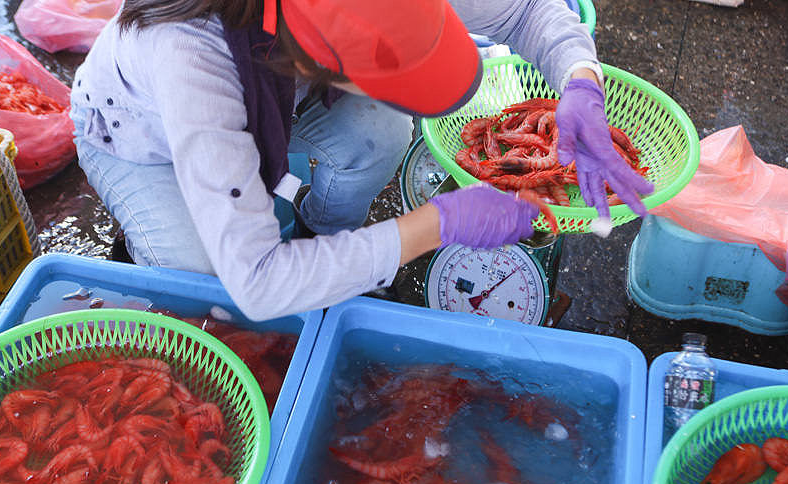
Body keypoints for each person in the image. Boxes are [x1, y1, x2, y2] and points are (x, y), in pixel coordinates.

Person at [70, 0, 653, 321]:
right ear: (324, 63)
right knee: (211, 288)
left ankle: (326, 243)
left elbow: (524, 13)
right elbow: (257, 283)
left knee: (380, 130)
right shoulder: (190, 54)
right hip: (140, 142)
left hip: (281, 93)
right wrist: (436, 225)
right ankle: (169, 240)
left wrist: (581, 82)